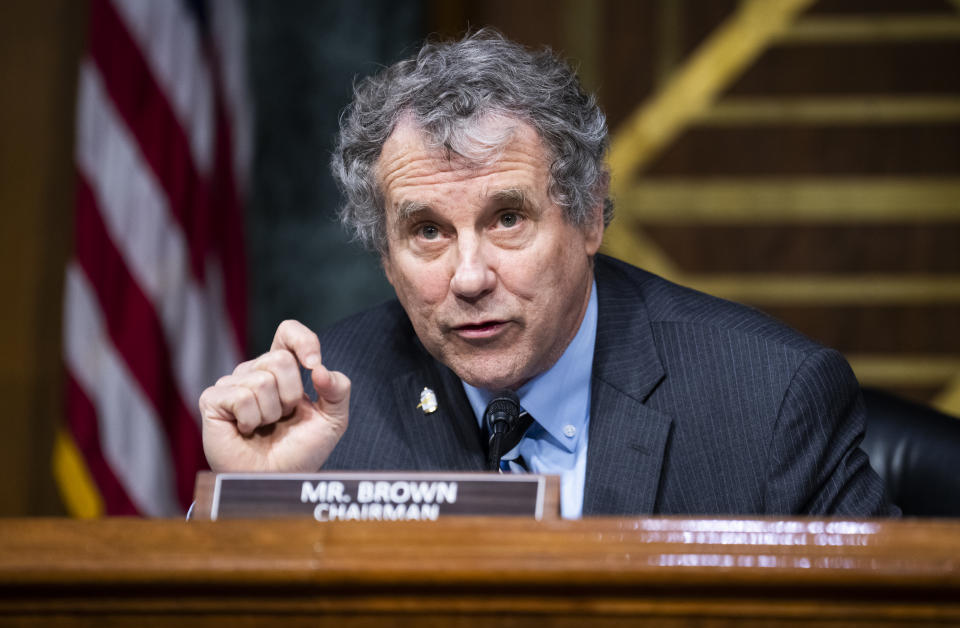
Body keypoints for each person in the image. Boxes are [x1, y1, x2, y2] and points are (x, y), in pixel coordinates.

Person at [199, 30, 897, 518]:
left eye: (507, 218)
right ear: (385, 256)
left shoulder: (766, 403)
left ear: (590, 216)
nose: (469, 277)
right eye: (428, 231)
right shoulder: (321, 413)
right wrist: (254, 505)